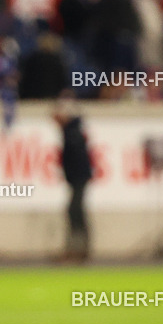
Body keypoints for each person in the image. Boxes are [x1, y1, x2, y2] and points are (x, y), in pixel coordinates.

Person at [54, 95, 93, 262]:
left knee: (75, 212)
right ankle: (79, 248)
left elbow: (75, 159)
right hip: (78, 178)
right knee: (76, 211)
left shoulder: (72, 133)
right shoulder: (73, 131)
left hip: (78, 178)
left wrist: (71, 175)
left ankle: (78, 249)